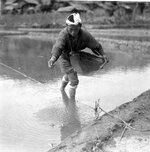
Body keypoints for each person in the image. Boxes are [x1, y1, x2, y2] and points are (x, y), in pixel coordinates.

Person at [48, 13, 107, 100]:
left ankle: (61, 89)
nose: (73, 32)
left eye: (76, 29)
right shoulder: (63, 35)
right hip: (64, 57)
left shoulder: (85, 35)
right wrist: (53, 58)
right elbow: (58, 47)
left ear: (80, 26)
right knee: (74, 80)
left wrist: (103, 55)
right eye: (71, 29)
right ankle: (72, 103)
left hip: (75, 55)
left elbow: (96, 46)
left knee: (69, 75)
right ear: (67, 26)